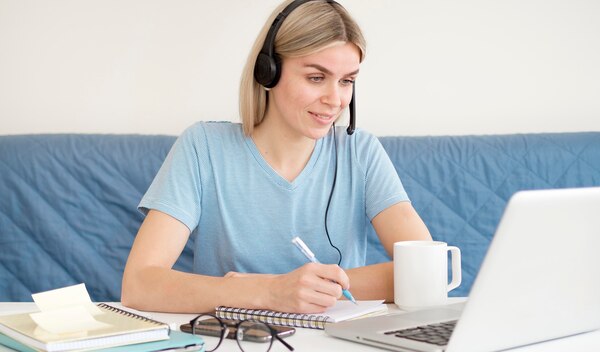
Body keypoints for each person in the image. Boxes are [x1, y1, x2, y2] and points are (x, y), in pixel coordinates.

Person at [121, 0, 432, 314]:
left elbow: (425, 269)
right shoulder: (203, 146)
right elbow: (139, 284)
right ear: (267, 71)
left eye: (347, 81)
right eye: (315, 78)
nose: (335, 99)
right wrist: (272, 291)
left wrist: (310, 290)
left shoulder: (360, 152)